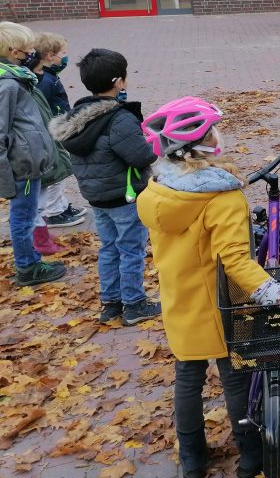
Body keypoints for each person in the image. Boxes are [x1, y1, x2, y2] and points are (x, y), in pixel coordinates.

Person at [136, 97, 280, 478]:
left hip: (179, 299)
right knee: (235, 376)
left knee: (188, 378)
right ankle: (250, 458)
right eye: (213, 130)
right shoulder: (222, 199)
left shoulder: (158, 191)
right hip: (218, 306)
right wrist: (278, 294)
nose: (219, 135)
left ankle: (193, 460)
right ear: (198, 145)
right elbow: (236, 260)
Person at [48, 48, 161, 325]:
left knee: (109, 248)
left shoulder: (79, 116)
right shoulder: (118, 119)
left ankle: (110, 303)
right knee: (131, 249)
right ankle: (134, 304)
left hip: (97, 198)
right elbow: (141, 156)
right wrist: (153, 143)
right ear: (118, 82)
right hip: (125, 197)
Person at [0, 21, 67, 287]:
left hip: (28, 162)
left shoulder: (17, 80)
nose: (32, 53)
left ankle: (31, 259)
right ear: (15, 52)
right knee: (24, 217)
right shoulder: (8, 86)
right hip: (22, 166)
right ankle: (27, 267)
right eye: (29, 49)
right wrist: (7, 176)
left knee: (27, 214)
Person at [30, 32, 86, 241]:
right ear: (49, 55)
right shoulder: (44, 80)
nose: (65, 56)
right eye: (63, 53)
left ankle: (60, 206)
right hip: (51, 131)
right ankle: (54, 212)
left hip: (54, 129)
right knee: (55, 174)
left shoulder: (47, 76)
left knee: (60, 171)